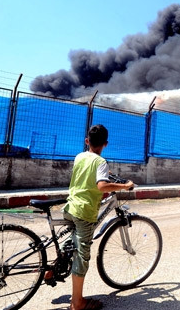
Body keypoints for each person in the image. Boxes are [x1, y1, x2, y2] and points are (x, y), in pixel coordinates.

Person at [62, 124, 134, 310]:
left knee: (70, 242)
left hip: (70, 206)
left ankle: (50, 271)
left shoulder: (80, 156)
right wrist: (124, 186)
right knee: (82, 254)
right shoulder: (101, 162)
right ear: (105, 144)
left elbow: (89, 168)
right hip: (84, 211)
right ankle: (77, 303)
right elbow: (102, 186)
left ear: (87, 141)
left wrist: (109, 174)